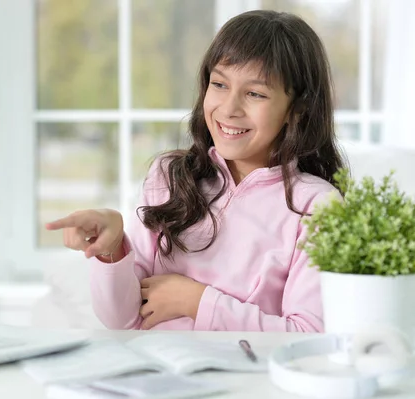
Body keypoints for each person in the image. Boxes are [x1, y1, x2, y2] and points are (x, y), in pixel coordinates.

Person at [46, 10, 346, 332]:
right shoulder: (168, 176)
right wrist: (113, 248)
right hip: (154, 374)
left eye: (255, 93)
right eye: (219, 84)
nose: (229, 109)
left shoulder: (317, 206)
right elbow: (122, 320)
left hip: (244, 379)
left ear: (297, 108)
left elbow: (307, 334)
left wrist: (197, 301)